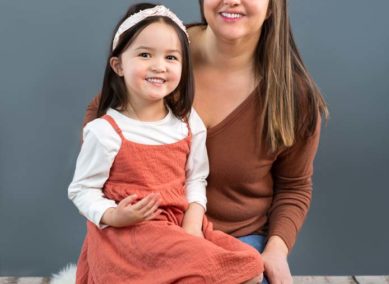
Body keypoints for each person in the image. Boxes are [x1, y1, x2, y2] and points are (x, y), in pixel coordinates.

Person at [83, 1, 329, 283]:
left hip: (235, 237)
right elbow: (103, 111)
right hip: (143, 232)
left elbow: (294, 186)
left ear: (274, 6)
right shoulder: (164, 47)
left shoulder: (293, 96)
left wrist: (276, 250)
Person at [68, 3, 265, 284]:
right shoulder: (105, 131)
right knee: (206, 274)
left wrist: (193, 225)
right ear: (119, 65)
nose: (159, 66)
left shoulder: (187, 123)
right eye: (145, 54)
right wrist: (113, 215)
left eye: (171, 58)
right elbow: (82, 189)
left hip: (180, 224)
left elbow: (196, 178)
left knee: (250, 267)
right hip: (131, 234)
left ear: (183, 68)